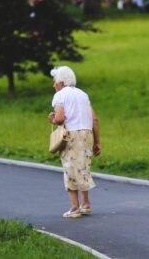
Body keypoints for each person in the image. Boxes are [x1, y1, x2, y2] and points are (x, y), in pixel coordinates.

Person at [47, 66, 101, 218]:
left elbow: (60, 118)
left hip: (72, 135)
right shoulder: (83, 94)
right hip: (87, 134)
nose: (53, 85)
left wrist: (52, 119)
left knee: (70, 170)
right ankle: (86, 204)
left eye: (54, 82)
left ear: (61, 82)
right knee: (83, 168)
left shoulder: (59, 96)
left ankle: (74, 208)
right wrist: (98, 142)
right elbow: (94, 119)